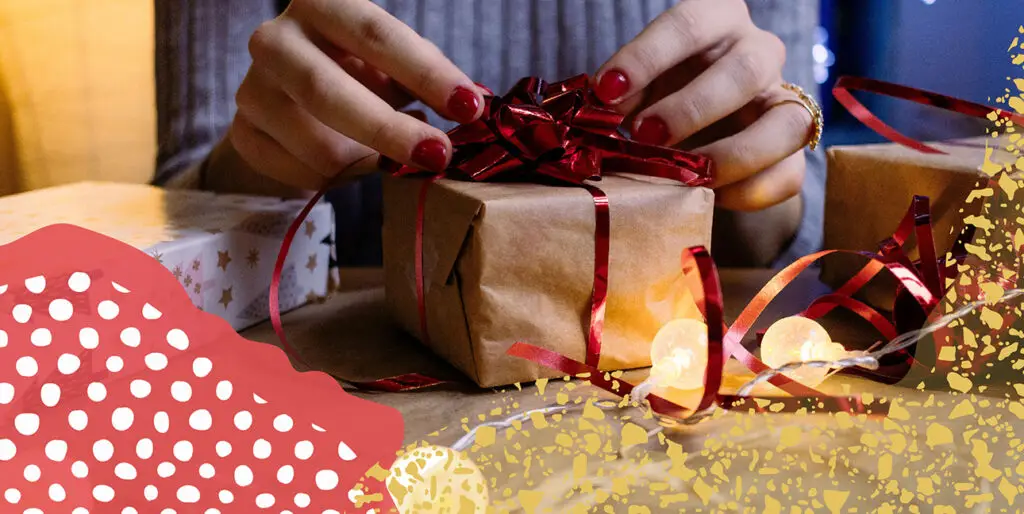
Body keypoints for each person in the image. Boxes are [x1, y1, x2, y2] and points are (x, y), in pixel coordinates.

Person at [153, 0, 823, 269]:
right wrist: (258, 166)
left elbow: (805, 213)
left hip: (659, 391)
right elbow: (175, 203)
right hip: (326, 394)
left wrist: (758, 181)